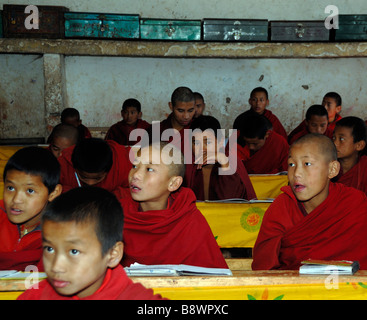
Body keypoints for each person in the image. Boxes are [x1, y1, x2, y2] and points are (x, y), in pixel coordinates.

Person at [17, 187, 165, 300]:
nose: (56, 266)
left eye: (74, 251)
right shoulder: (37, 294)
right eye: (49, 249)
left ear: (112, 254)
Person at [252, 133, 367, 270]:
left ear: (332, 169)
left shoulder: (354, 204)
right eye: (291, 164)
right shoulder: (282, 207)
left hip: (348, 289)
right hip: (292, 288)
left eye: (307, 164)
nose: (296, 173)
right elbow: (263, 265)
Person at [118, 142, 228, 269]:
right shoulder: (117, 214)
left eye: (149, 169)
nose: (135, 175)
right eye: (134, 166)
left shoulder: (188, 219)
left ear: (174, 183)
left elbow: (212, 276)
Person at [0, 147, 62, 271]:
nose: (16, 200)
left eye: (30, 191)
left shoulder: (59, 231)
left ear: (53, 193)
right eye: (10, 188)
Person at [184, 115, 257, 201]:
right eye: (196, 143)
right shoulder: (189, 166)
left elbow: (232, 202)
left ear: (220, 141)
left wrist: (225, 164)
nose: (201, 149)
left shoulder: (232, 162)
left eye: (207, 142)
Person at [58, 138, 130, 196]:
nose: (90, 183)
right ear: (75, 169)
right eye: (84, 177)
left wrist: (111, 196)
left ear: (108, 170)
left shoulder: (122, 163)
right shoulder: (63, 164)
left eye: (97, 178)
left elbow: (133, 191)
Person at [146, 86, 195, 153]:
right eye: (180, 111)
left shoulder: (198, 129)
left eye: (190, 111)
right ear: (171, 106)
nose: (186, 116)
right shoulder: (156, 130)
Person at [332, 116, 367, 195]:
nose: (335, 143)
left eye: (341, 139)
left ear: (359, 145)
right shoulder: (327, 165)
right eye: (334, 137)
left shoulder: (364, 168)